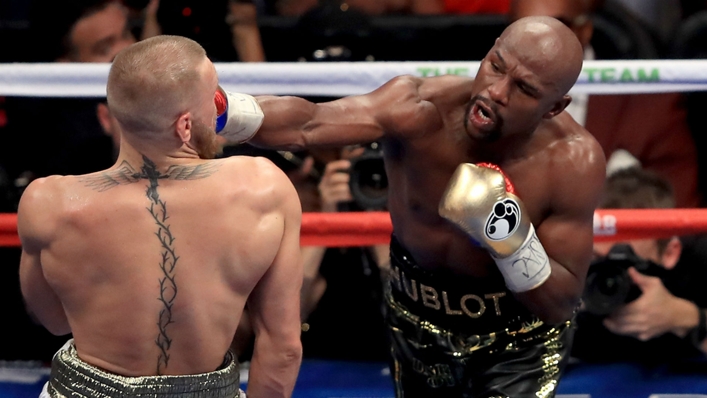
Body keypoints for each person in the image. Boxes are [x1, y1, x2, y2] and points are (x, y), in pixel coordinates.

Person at [218, 15, 606, 396]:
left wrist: (511, 240)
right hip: (416, 317)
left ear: (555, 107)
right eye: (496, 66)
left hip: (520, 342)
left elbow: (559, 303)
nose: (496, 91)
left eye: (524, 88)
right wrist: (218, 111)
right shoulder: (419, 109)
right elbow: (309, 124)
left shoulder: (572, 162)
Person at [18, 35, 303, 398]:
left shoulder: (49, 201)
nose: (223, 107)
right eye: (214, 95)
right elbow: (283, 348)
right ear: (185, 126)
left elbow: (54, 321)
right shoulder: (265, 189)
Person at [509, 0, 702, 208]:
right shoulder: (487, 102)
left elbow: (679, 219)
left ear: (584, 30)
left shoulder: (651, 110)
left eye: (555, 28)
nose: (535, 44)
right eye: (522, 31)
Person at [573, 167, 707, 363]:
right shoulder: (570, 270)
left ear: (670, 253)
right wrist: (564, 309)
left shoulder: (698, 262)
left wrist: (686, 318)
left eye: (628, 260)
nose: (613, 274)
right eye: (599, 259)